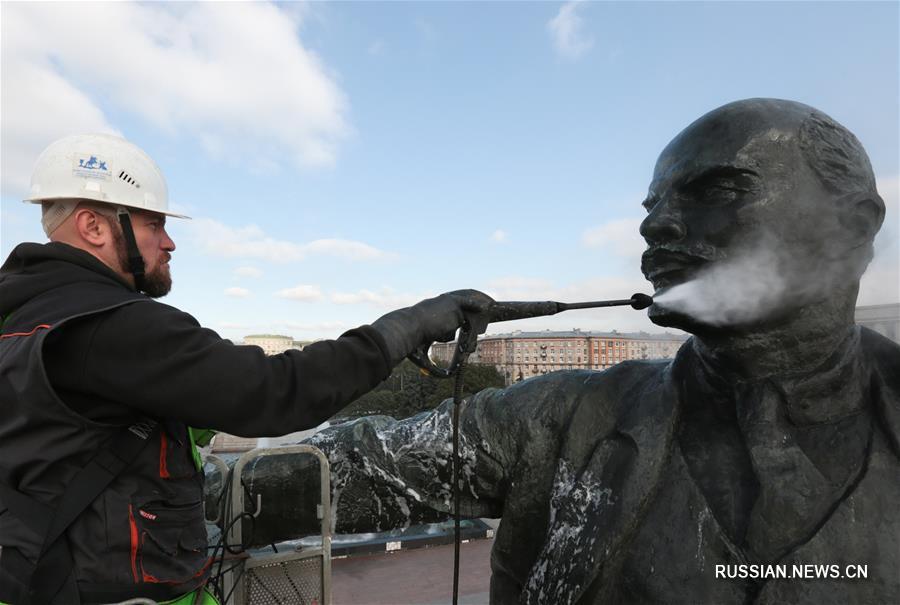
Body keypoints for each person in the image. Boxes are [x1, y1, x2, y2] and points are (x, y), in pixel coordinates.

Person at [241, 98, 897, 603]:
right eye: (653, 202)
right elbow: (323, 473)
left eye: (719, 189)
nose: (653, 223)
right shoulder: (559, 418)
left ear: (853, 225)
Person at [0, 133, 492, 604]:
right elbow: (275, 391)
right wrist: (402, 330)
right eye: (154, 225)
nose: (168, 242)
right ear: (95, 227)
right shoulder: (111, 326)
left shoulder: (23, 318)